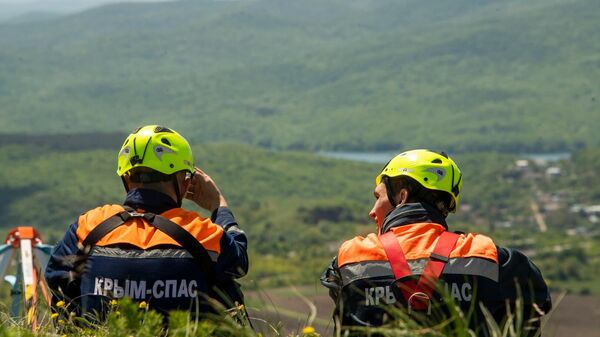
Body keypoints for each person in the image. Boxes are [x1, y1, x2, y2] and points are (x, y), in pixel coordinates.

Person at [321, 149, 551, 336]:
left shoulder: (352, 257)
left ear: (402, 196)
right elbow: (535, 304)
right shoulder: (487, 255)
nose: (373, 212)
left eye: (378, 197)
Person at [45, 125, 248, 319]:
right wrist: (218, 206)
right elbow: (239, 262)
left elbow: (55, 276)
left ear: (126, 178)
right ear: (184, 182)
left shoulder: (89, 224)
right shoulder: (202, 232)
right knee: (228, 289)